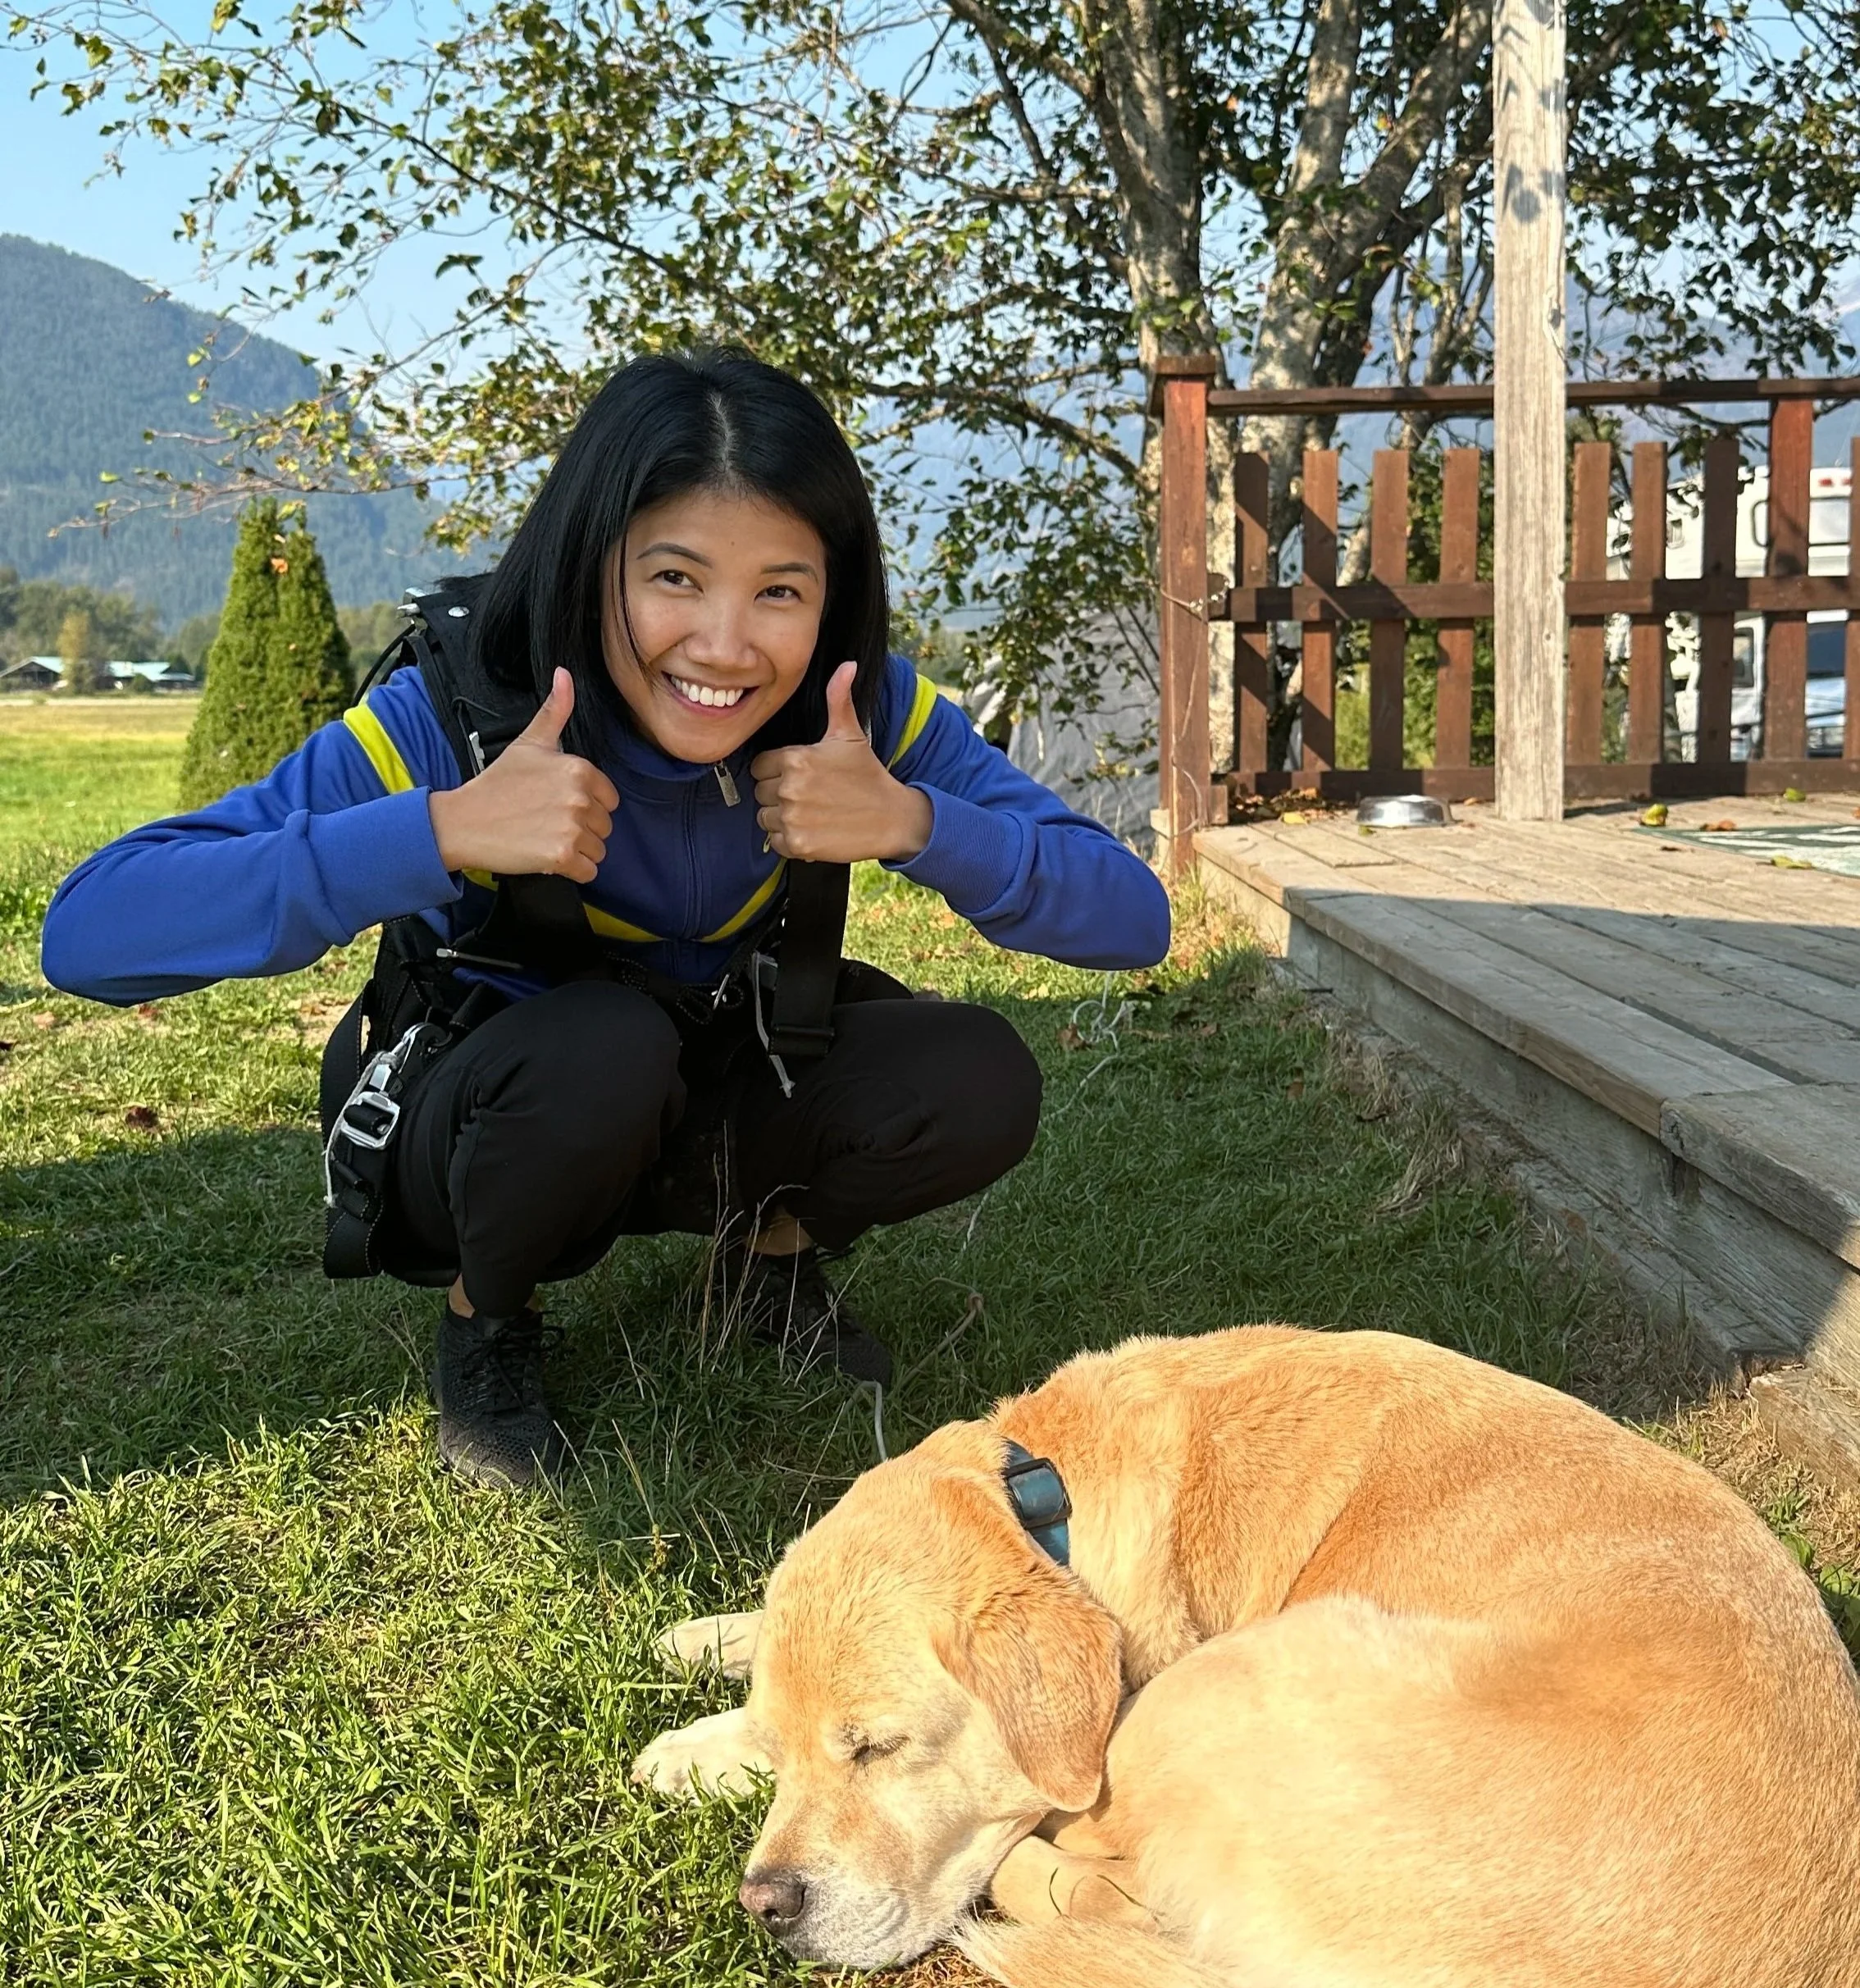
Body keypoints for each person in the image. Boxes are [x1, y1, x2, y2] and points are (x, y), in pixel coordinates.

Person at [42, 350, 1170, 1488]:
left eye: (781, 590)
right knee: (603, 1049)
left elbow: (1134, 920)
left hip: (707, 1074)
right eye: (675, 578)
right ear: (594, 565)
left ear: (832, 596)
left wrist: (919, 820)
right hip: (485, 1112)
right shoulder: (467, 702)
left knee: (977, 1072)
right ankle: (488, 1316)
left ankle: (763, 1263)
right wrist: (435, 831)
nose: (727, 646)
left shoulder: (859, 708)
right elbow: (90, 931)